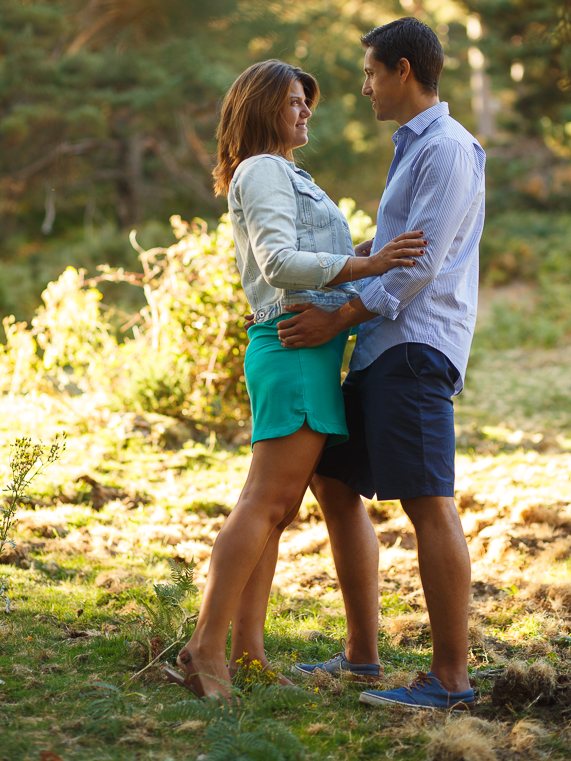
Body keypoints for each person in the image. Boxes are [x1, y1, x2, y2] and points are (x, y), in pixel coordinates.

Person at [176, 58, 427, 699]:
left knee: (278, 509)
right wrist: (365, 266)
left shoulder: (289, 173)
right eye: (294, 100)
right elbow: (282, 264)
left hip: (312, 353)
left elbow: (313, 255)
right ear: (262, 108)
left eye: (307, 101)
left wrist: (366, 258)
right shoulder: (262, 170)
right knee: (266, 502)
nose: (306, 110)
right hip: (290, 345)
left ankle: (248, 655)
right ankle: (205, 651)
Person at [279, 17, 485, 711]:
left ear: (401, 70)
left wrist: (338, 314)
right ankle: (361, 657)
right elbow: (387, 247)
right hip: (379, 344)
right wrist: (327, 274)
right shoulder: (413, 147)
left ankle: (450, 681)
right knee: (332, 480)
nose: (363, 87)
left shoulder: (448, 150)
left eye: (368, 72)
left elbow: (418, 266)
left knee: (428, 501)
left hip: (414, 346)